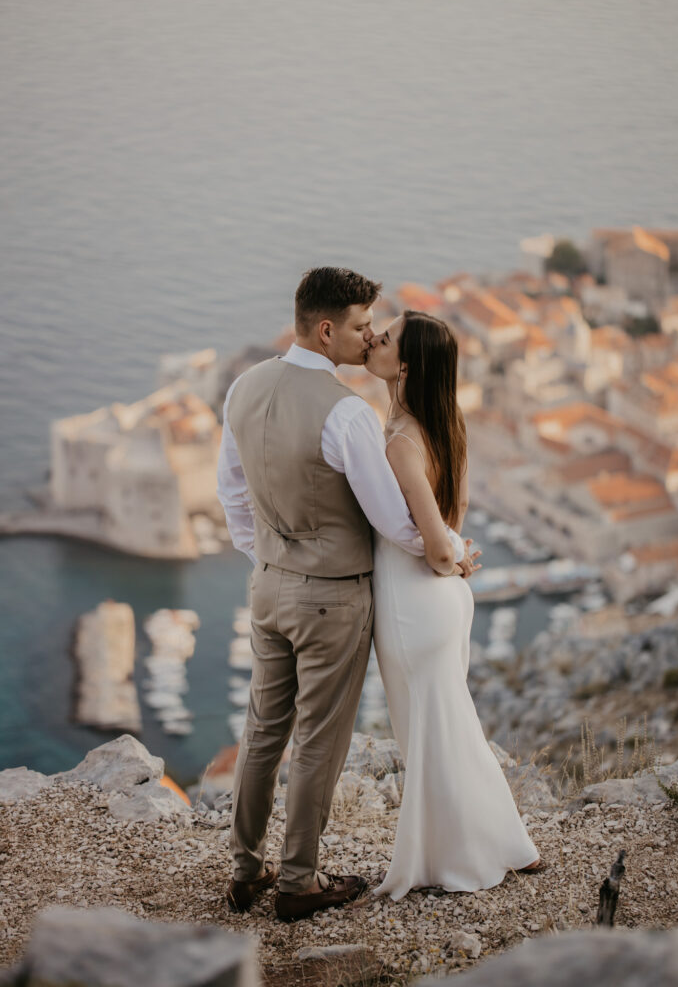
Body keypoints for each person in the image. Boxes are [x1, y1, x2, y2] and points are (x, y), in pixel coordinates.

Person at [216, 268, 477, 922]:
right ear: (327, 329)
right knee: (318, 744)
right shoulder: (348, 414)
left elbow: (233, 496)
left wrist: (271, 560)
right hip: (332, 598)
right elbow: (395, 522)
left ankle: (247, 868)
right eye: (362, 327)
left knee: (262, 731)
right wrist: (450, 549)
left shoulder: (243, 388)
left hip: (269, 588)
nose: (368, 339)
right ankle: (299, 881)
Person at [364, 310, 542, 900]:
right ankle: (502, 845)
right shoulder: (445, 425)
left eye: (384, 339)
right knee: (453, 729)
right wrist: (458, 556)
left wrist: (452, 556)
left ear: (406, 363)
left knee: (428, 735)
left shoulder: (400, 441)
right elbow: (453, 525)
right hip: (442, 603)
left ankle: (455, 861)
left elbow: (438, 545)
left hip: (413, 602)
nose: (373, 341)